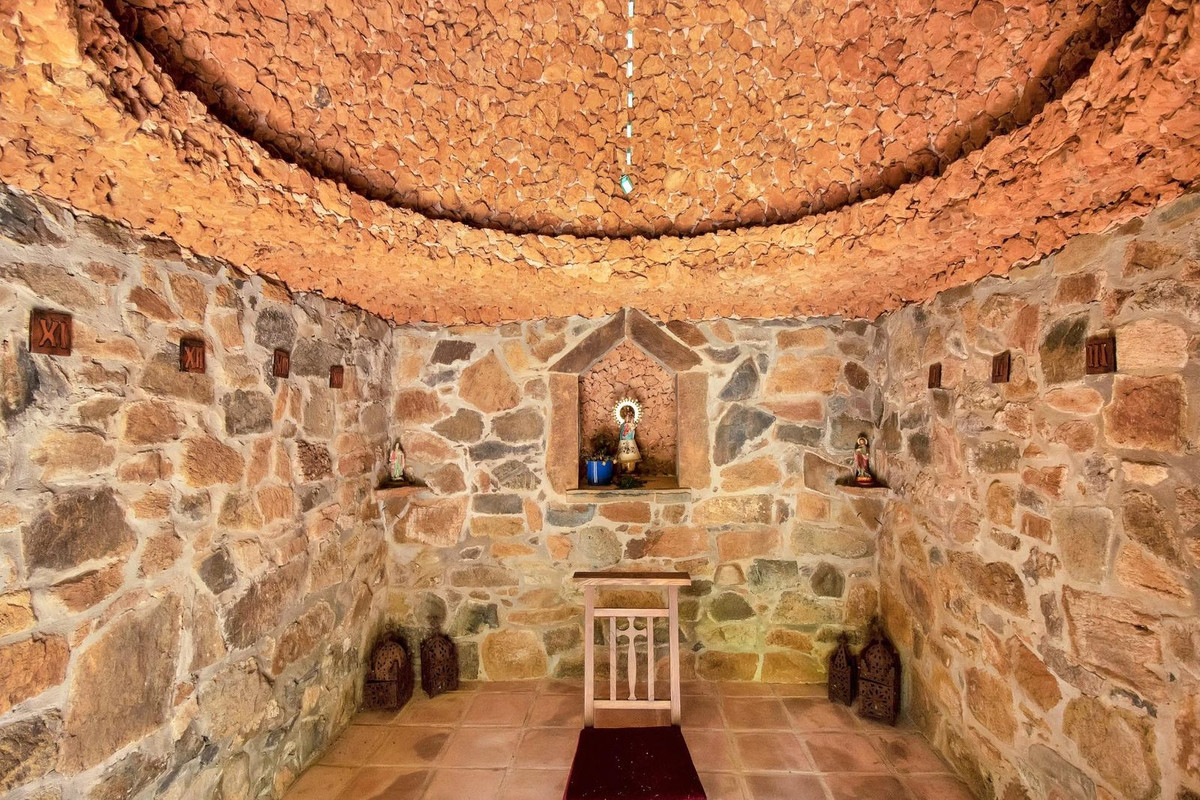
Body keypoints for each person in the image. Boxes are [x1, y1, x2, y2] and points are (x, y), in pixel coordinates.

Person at [617, 405, 641, 473]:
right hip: (623, 441)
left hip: (630, 441)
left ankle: (630, 469)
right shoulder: (622, 425)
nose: (628, 417)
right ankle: (624, 468)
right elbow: (622, 433)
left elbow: (632, 430)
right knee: (623, 456)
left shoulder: (632, 424)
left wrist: (631, 425)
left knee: (631, 457)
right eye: (626, 416)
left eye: (629, 416)